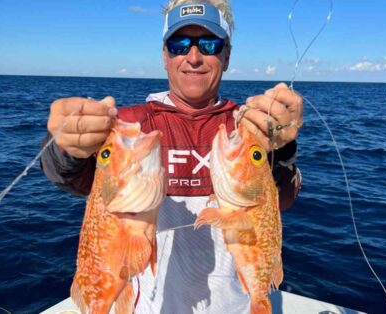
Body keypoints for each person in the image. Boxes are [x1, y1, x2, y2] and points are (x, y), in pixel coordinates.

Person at [41, 0, 303, 312]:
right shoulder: (133, 126)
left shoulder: (247, 128)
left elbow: (282, 200)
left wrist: (282, 149)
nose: (193, 57)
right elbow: (70, 178)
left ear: (227, 55)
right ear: (165, 56)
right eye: (179, 45)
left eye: (209, 44)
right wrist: (66, 146)